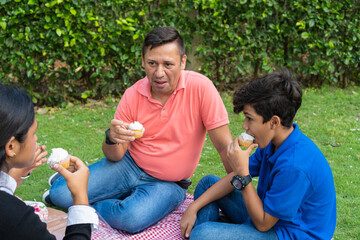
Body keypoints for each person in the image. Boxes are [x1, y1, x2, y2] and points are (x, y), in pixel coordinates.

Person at [46, 26, 233, 233]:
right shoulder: (133, 94)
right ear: (143, 61)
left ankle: (91, 204)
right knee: (59, 195)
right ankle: (96, 191)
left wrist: (239, 190)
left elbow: (226, 149)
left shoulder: (201, 88)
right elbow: (115, 155)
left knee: (130, 218)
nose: (159, 73)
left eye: (168, 64)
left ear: (183, 62)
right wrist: (111, 138)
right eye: (152, 63)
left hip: (169, 183)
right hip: (128, 166)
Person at [180, 68, 336, 240]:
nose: (244, 126)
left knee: (203, 234)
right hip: (266, 216)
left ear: (274, 122)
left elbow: (263, 224)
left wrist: (243, 174)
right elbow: (233, 179)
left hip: (287, 233)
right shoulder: (271, 143)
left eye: (249, 118)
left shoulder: (294, 166)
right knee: (207, 185)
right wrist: (193, 207)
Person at [0, 84, 98, 240]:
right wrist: (80, 198)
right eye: (34, 133)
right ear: (11, 147)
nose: (36, 139)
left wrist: (13, 173)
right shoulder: (16, 217)